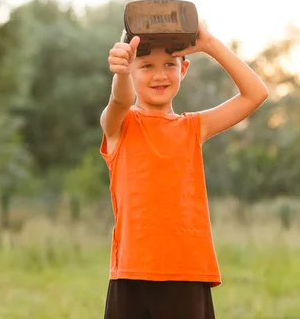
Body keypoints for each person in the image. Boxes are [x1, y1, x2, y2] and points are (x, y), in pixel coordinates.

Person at [99, 18, 269, 319]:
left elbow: (255, 94)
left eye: (169, 64)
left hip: (187, 272)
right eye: (146, 66)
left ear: (184, 70)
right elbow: (121, 98)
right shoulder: (120, 126)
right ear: (131, 70)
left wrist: (209, 44)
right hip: (130, 274)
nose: (160, 75)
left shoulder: (194, 127)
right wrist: (121, 72)